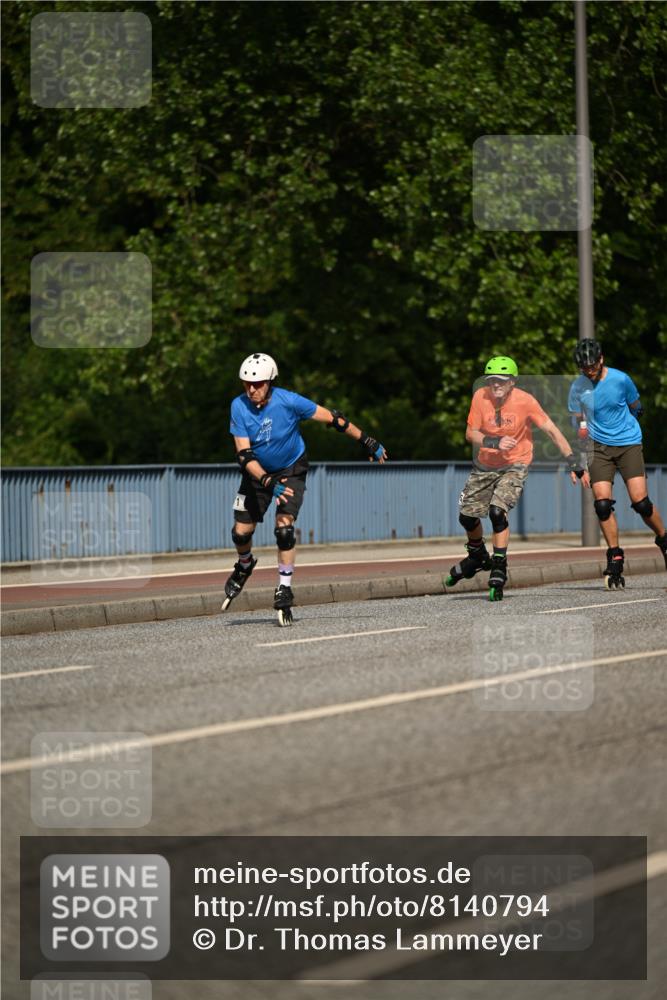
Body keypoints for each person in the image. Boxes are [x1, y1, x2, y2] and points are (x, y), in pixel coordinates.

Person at [222, 352, 388, 625]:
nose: (252, 389)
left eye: (258, 383)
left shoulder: (289, 401)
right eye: (246, 384)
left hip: (291, 468)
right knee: (240, 534)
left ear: (271, 381)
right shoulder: (238, 406)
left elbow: (335, 419)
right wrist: (266, 482)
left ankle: (284, 587)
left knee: (284, 528)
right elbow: (244, 455)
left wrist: (367, 441)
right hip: (257, 475)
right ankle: (244, 565)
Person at [448, 355, 588, 601]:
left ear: (512, 382)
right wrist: (494, 441)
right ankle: (478, 555)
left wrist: (573, 462)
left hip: (516, 463)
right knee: (467, 516)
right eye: (492, 380)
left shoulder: (526, 401)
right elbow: (470, 433)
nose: (495, 386)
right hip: (486, 463)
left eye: (501, 381)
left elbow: (552, 431)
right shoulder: (480, 397)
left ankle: (499, 564)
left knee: (496, 512)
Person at [569, 338, 667, 589]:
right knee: (602, 505)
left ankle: (664, 539)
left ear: (601, 359)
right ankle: (615, 556)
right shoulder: (577, 388)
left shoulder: (621, 379)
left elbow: (637, 407)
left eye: (592, 365)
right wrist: (578, 461)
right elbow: (579, 426)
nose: (588, 371)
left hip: (628, 444)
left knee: (640, 503)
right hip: (598, 449)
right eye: (584, 367)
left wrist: (624, 429)